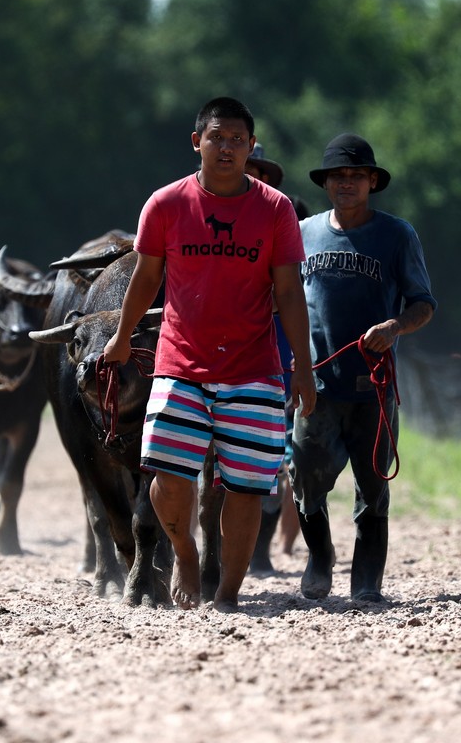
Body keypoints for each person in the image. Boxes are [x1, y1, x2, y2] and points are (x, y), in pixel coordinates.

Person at [103, 97, 316, 612]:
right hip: (180, 365)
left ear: (251, 147)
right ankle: (185, 552)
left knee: (245, 487)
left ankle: (227, 594)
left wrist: (303, 369)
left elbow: (288, 293)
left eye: (238, 140)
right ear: (197, 141)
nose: (227, 148)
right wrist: (122, 336)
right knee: (167, 482)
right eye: (217, 137)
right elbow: (146, 276)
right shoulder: (166, 204)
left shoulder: (275, 210)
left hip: (254, 370)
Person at [292, 132, 436, 603]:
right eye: (338, 175)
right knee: (306, 476)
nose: (347, 183)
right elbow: (286, 301)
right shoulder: (305, 233)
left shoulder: (397, 235)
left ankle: (367, 581)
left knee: (373, 484)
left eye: (356, 175)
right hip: (317, 383)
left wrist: (394, 327)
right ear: (326, 183)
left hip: (373, 386)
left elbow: (423, 304)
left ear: (373, 181)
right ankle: (319, 557)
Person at [243, 143, 303, 572]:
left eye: (260, 170)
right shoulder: (195, 217)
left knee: (270, 462)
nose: (255, 177)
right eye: (250, 169)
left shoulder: (288, 223)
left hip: (275, 358)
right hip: (211, 357)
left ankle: (260, 550)